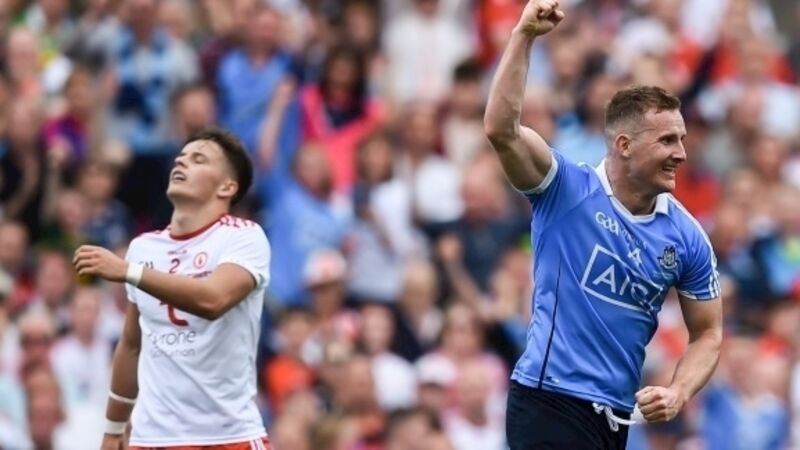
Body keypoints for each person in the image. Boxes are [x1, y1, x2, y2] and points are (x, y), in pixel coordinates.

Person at [484, 1, 723, 449]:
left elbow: (708, 333)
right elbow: (502, 130)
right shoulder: (565, 188)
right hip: (548, 400)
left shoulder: (688, 237)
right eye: (667, 140)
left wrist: (678, 391)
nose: (681, 153)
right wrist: (524, 36)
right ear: (624, 145)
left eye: (682, 140)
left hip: (615, 419)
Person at [72, 128, 272, 450]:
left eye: (199, 159)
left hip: (226, 437)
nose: (182, 162)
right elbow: (132, 345)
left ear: (227, 187)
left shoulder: (244, 237)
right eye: (181, 157)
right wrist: (113, 427)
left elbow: (213, 300)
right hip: (152, 439)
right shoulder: (144, 247)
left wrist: (128, 272)